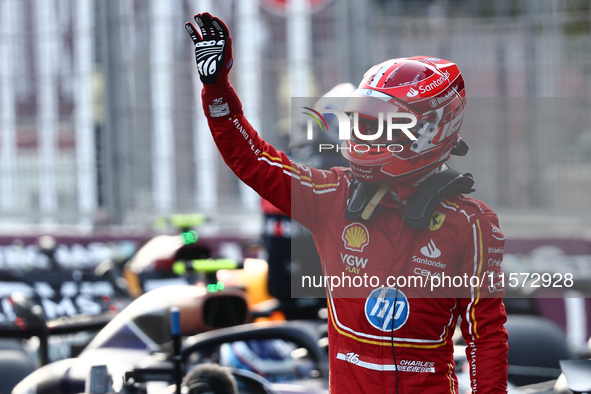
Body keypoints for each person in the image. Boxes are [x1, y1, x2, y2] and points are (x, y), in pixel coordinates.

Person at [185, 13, 508, 394]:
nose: (365, 136)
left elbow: (484, 337)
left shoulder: (471, 224)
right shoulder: (331, 196)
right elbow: (252, 159)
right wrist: (217, 89)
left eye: (383, 125)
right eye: (363, 122)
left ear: (431, 129)